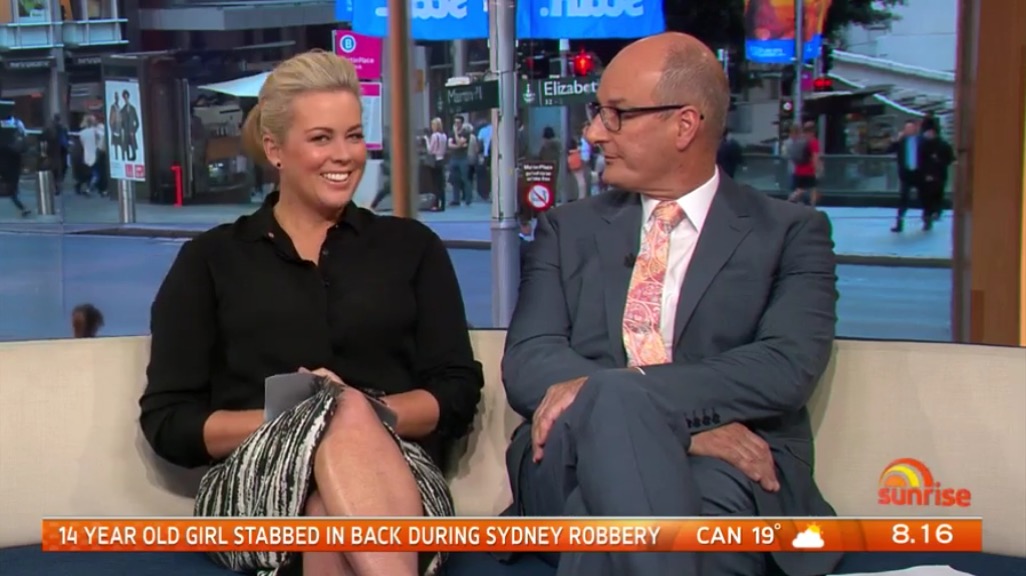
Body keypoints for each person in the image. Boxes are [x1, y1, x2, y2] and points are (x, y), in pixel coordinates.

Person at [501, 32, 841, 576]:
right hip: (567, 454)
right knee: (628, 442)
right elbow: (529, 360)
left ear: (684, 125)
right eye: (597, 113)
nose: (594, 132)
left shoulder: (790, 233)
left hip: (732, 467)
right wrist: (667, 425)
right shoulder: (565, 230)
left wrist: (633, 404)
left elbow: (783, 367)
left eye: (616, 114)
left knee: (602, 520)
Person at [139, 50, 483, 576]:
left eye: (353, 135)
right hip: (254, 480)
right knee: (336, 420)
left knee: (326, 508)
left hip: (398, 470)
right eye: (321, 138)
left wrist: (361, 413)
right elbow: (169, 422)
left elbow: (456, 392)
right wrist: (311, 420)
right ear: (275, 148)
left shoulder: (412, 248)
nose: (343, 155)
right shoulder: (209, 260)